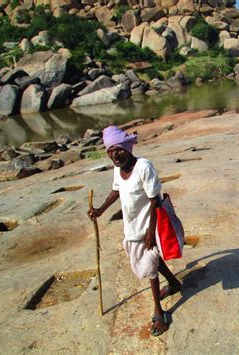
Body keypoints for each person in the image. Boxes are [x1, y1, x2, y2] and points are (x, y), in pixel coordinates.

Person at [88, 125, 181, 337]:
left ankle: (159, 312)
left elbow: (155, 201)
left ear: (128, 147)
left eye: (119, 149)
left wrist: (150, 231)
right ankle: (174, 283)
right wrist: (100, 210)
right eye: (111, 151)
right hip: (132, 226)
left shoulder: (144, 167)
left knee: (149, 265)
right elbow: (116, 189)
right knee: (152, 260)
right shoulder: (117, 168)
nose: (115, 155)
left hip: (150, 223)